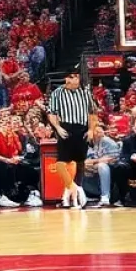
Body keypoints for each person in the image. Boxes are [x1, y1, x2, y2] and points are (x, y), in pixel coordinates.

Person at [46, 70, 97, 208]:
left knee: (80, 162)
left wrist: (91, 129)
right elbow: (51, 113)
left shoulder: (85, 92)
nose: (77, 81)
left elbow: (92, 113)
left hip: (82, 128)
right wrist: (57, 127)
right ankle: (75, 188)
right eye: (75, 78)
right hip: (66, 128)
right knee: (61, 163)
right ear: (67, 79)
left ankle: (72, 194)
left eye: (78, 78)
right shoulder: (58, 93)